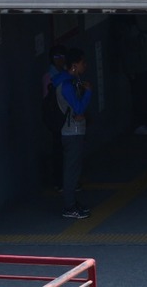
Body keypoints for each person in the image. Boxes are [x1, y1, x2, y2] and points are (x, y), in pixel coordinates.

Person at [54, 48, 93, 219]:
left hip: (73, 131)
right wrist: (89, 92)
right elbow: (78, 108)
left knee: (74, 169)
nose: (85, 65)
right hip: (71, 132)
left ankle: (72, 203)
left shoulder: (70, 81)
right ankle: (69, 206)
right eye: (83, 62)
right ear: (74, 65)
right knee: (71, 170)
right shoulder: (67, 85)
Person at [40, 45, 68, 190]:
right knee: (58, 148)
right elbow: (47, 100)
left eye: (62, 56)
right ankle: (58, 181)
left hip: (64, 115)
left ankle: (63, 180)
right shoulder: (49, 76)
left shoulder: (63, 73)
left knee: (64, 149)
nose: (60, 60)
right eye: (57, 57)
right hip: (56, 117)